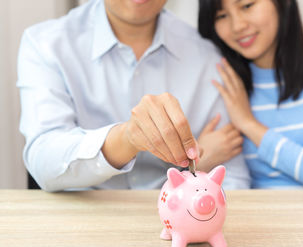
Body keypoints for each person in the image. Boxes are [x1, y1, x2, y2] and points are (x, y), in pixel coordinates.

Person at [17, 0, 250, 192]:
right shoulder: (45, 44)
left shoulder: (207, 55)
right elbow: (43, 160)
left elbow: (231, 177)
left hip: (184, 226)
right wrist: (126, 138)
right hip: (80, 222)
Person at [198, 0, 303, 189]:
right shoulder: (227, 83)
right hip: (265, 216)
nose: (237, 25)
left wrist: (249, 125)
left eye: (247, 5)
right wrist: (199, 163)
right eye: (221, 16)